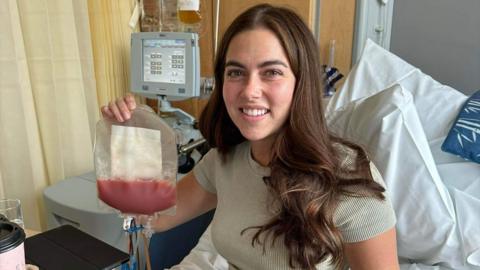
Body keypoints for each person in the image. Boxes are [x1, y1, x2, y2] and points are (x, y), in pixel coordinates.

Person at [102, 4, 399, 269]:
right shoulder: (224, 161)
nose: (249, 90)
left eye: (271, 72)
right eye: (236, 73)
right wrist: (129, 138)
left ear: (301, 83)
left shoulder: (348, 181)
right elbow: (151, 217)